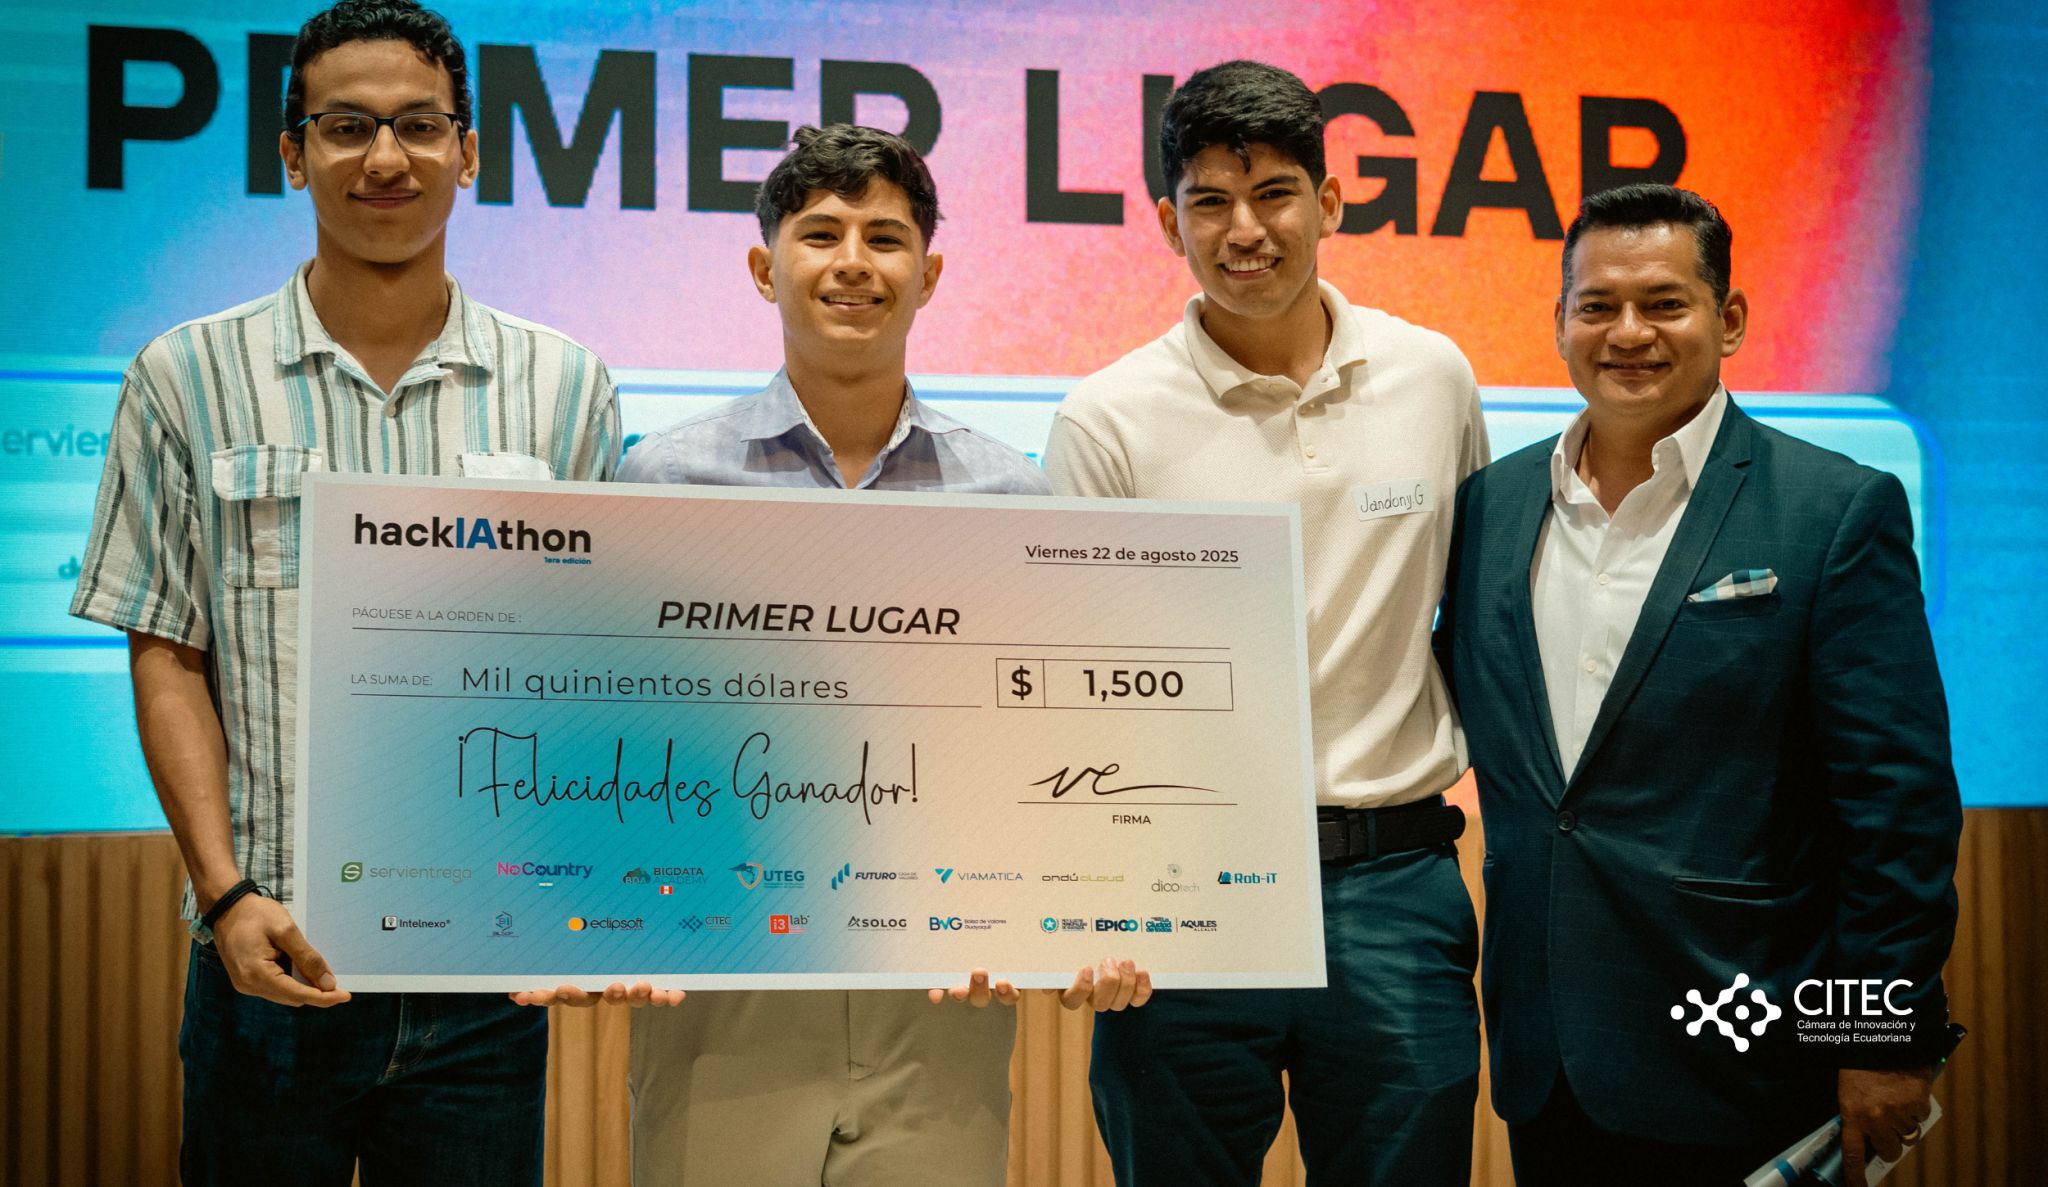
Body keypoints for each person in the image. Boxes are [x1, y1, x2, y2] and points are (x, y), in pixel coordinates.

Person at [68, 2, 621, 1182]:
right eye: (346, 125)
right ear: (291, 151)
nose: (385, 156)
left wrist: (583, 893)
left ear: (469, 152)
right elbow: (166, 650)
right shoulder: (185, 375)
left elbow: (591, 668)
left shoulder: (566, 387)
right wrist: (225, 894)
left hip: (484, 979)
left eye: (419, 125)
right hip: (268, 957)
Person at [610, 123, 1150, 1187]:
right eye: (820, 234)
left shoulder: (1012, 494)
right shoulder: (660, 480)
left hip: (942, 1001)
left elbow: (1054, 743)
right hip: (724, 999)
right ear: (764, 267)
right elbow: (618, 734)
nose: (853, 261)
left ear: (928, 274)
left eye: (886, 238)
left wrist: (1101, 905)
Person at [1433, 183, 1961, 1187]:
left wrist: (1881, 1038)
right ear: (1558, 322)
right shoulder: (1490, 505)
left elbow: (1897, 804)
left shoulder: (1833, 509)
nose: (1627, 331)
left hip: (1748, 1045)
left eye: (1664, 303)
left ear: (1729, 319)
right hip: (1550, 1052)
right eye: (1597, 305)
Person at [1044, 61, 1489, 1186]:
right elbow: (1071, 683)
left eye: (1275, 193)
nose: (1244, 230)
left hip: (1392, 881)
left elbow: (1477, 611)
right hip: (1184, 893)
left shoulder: (1433, 378)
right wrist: (1093, 897)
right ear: (1167, 223)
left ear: (1328, 203)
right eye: (1209, 201)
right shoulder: (1106, 419)